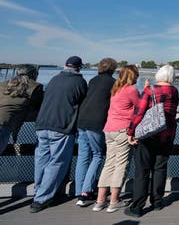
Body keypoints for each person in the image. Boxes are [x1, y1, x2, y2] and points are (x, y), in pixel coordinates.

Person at [31, 56, 88, 213]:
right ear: (79, 68)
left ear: (65, 66)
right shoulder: (80, 82)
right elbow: (83, 103)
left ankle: (38, 191)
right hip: (61, 126)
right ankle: (42, 198)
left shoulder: (54, 79)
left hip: (42, 125)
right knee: (57, 162)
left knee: (41, 159)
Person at [124, 65, 179, 218]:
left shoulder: (149, 90)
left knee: (142, 171)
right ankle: (157, 202)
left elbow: (139, 113)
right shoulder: (174, 91)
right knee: (160, 169)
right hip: (167, 135)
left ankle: (137, 207)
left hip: (148, 136)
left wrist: (131, 132)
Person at [93, 65, 140, 213]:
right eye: (136, 76)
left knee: (109, 164)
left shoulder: (116, 89)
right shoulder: (131, 90)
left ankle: (100, 201)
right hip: (122, 130)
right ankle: (114, 201)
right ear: (133, 77)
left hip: (109, 129)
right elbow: (141, 108)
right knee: (121, 165)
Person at [75, 57, 117, 206]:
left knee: (83, 156)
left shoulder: (92, 80)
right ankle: (86, 192)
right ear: (113, 69)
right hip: (96, 122)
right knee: (98, 155)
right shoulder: (113, 83)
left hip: (82, 120)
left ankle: (79, 191)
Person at [0, 65, 43, 154]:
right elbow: (42, 107)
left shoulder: (4, 84)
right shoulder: (35, 87)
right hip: (3, 126)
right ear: (33, 74)